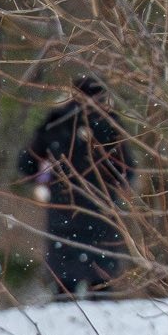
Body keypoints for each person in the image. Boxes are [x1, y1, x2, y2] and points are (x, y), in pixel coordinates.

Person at [17, 75, 136, 297]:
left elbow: (26, 164)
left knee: (64, 284)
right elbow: (127, 171)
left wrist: (47, 181)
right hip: (100, 210)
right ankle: (100, 302)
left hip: (63, 210)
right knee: (101, 283)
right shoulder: (110, 125)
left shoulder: (55, 122)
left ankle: (63, 305)